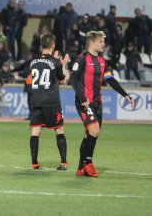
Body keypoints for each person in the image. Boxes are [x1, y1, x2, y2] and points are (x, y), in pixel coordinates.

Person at [71, 31, 134, 177]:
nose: (104, 44)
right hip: (84, 102)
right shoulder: (81, 59)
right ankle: (88, 164)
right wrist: (82, 98)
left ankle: (81, 167)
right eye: (101, 41)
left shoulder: (102, 61)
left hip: (97, 103)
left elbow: (110, 80)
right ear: (92, 42)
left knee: (90, 134)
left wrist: (125, 94)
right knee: (94, 130)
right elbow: (73, 79)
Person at [29, 34, 69, 170]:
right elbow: (62, 80)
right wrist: (62, 65)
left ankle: (34, 163)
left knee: (35, 131)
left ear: (41, 45)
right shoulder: (55, 62)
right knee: (59, 129)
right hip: (51, 100)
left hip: (36, 100)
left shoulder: (33, 61)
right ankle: (63, 163)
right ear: (53, 45)